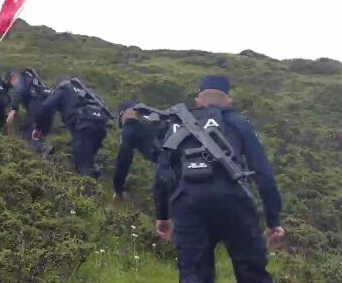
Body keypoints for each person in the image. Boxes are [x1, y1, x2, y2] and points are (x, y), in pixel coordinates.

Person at [154, 75, 285, 283]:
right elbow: (263, 172)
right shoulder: (240, 123)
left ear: (198, 100)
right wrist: (273, 220)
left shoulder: (176, 125)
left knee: (193, 275)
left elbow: (163, 175)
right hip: (235, 203)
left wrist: (162, 216)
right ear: (228, 100)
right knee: (252, 273)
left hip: (189, 204)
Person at [33, 76, 111, 177]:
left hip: (83, 126)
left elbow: (47, 107)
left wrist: (41, 129)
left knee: (84, 168)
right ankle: (95, 178)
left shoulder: (63, 90)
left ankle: (86, 186)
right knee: (89, 159)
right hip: (100, 126)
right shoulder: (87, 92)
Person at [113, 99, 167, 202]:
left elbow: (123, 160)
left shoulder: (130, 125)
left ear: (123, 114)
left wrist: (117, 188)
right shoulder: (156, 117)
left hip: (166, 162)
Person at [6, 67, 53, 150]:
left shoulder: (20, 78)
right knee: (39, 134)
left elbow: (20, 90)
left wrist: (13, 109)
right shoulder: (35, 81)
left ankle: (32, 154)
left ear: (12, 77)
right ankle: (44, 151)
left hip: (37, 105)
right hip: (48, 107)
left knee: (28, 131)